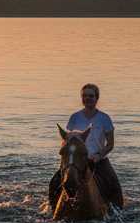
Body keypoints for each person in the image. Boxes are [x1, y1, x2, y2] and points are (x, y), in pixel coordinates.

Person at [48, 83, 124, 211]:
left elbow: (110, 144)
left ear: (97, 98)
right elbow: (67, 140)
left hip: (98, 160)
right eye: (84, 96)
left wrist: (98, 156)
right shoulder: (75, 117)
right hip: (76, 160)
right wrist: (67, 157)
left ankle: (117, 212)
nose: (87, 98)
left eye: (91, 96)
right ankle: (52, 210)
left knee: (114, 184)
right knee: (54, 183)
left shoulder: (104, 118)